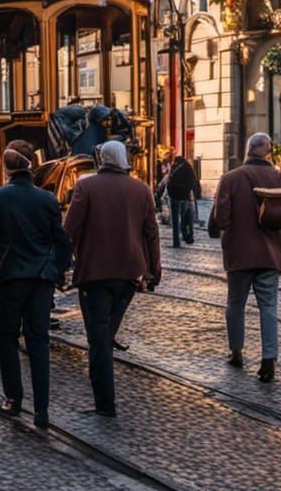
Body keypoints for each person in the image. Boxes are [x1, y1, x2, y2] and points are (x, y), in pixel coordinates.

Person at [0, 140, 72, 429]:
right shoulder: (47, 199)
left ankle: (13, 399)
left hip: (10, 279)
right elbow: (62, 241)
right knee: (38, 341)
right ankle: (42, 410)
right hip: (41, 280)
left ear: (6, 167)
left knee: (8, 338)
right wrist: (56, 271)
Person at [64, 140, 160, 417]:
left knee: (99, 340)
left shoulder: (86, 186)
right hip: (129, 275)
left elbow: (69, 230)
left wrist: (59, 266)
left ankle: (105, 404)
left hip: (94, 274)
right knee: (104, 336)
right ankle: (104, 402)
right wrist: (153, 270)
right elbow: (151, 232)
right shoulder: (141, 189)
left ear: (102, 159)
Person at [211, 132, 281, 383]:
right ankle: (269, 358)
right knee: (268, 306)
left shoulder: (230, 178)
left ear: (248, 149)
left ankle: (236, 352)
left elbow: (220, 219)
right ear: (268, 151)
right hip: (271, 253)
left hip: (239, 253)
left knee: (235, 303)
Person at [166, 154, 200, 248]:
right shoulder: (188, 167)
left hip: (174, 197)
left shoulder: (174, 167)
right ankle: (188, 236)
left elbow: (170, 181)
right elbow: (193, 182)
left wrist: (170, 192)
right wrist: (192, 193)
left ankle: (176, 242)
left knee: (175, 221)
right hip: (185, 197)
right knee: (186, 218)